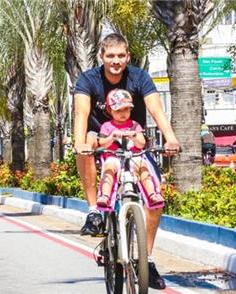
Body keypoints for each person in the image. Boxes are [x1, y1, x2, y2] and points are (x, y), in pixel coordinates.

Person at [73, 33, 180, 290]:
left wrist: (171, 138)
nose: (116, 61)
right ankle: (94, 212)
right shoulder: (88, 79)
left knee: (155, 199)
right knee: (84, 148)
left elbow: (156, 110)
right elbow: (81, 114)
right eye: (110, 56)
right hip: (100, 140)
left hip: (134, 143)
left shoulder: (139, 77)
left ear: (128, 56)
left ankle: (147, 259)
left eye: (121, 55)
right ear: (102, 57)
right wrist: (81, 143)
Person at [97, 89, 164, 207]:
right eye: (118, 110)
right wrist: (112, 137)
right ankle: (105, 196)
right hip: (114, 157)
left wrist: (134, 136)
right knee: (109, 167)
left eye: (126, 109)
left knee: (142, 166)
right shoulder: (106, 126)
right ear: (109, 110)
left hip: (133, 157)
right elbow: (102, 143)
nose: (123, 113)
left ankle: (152, 194)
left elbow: (141, 144)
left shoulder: (134, 125)